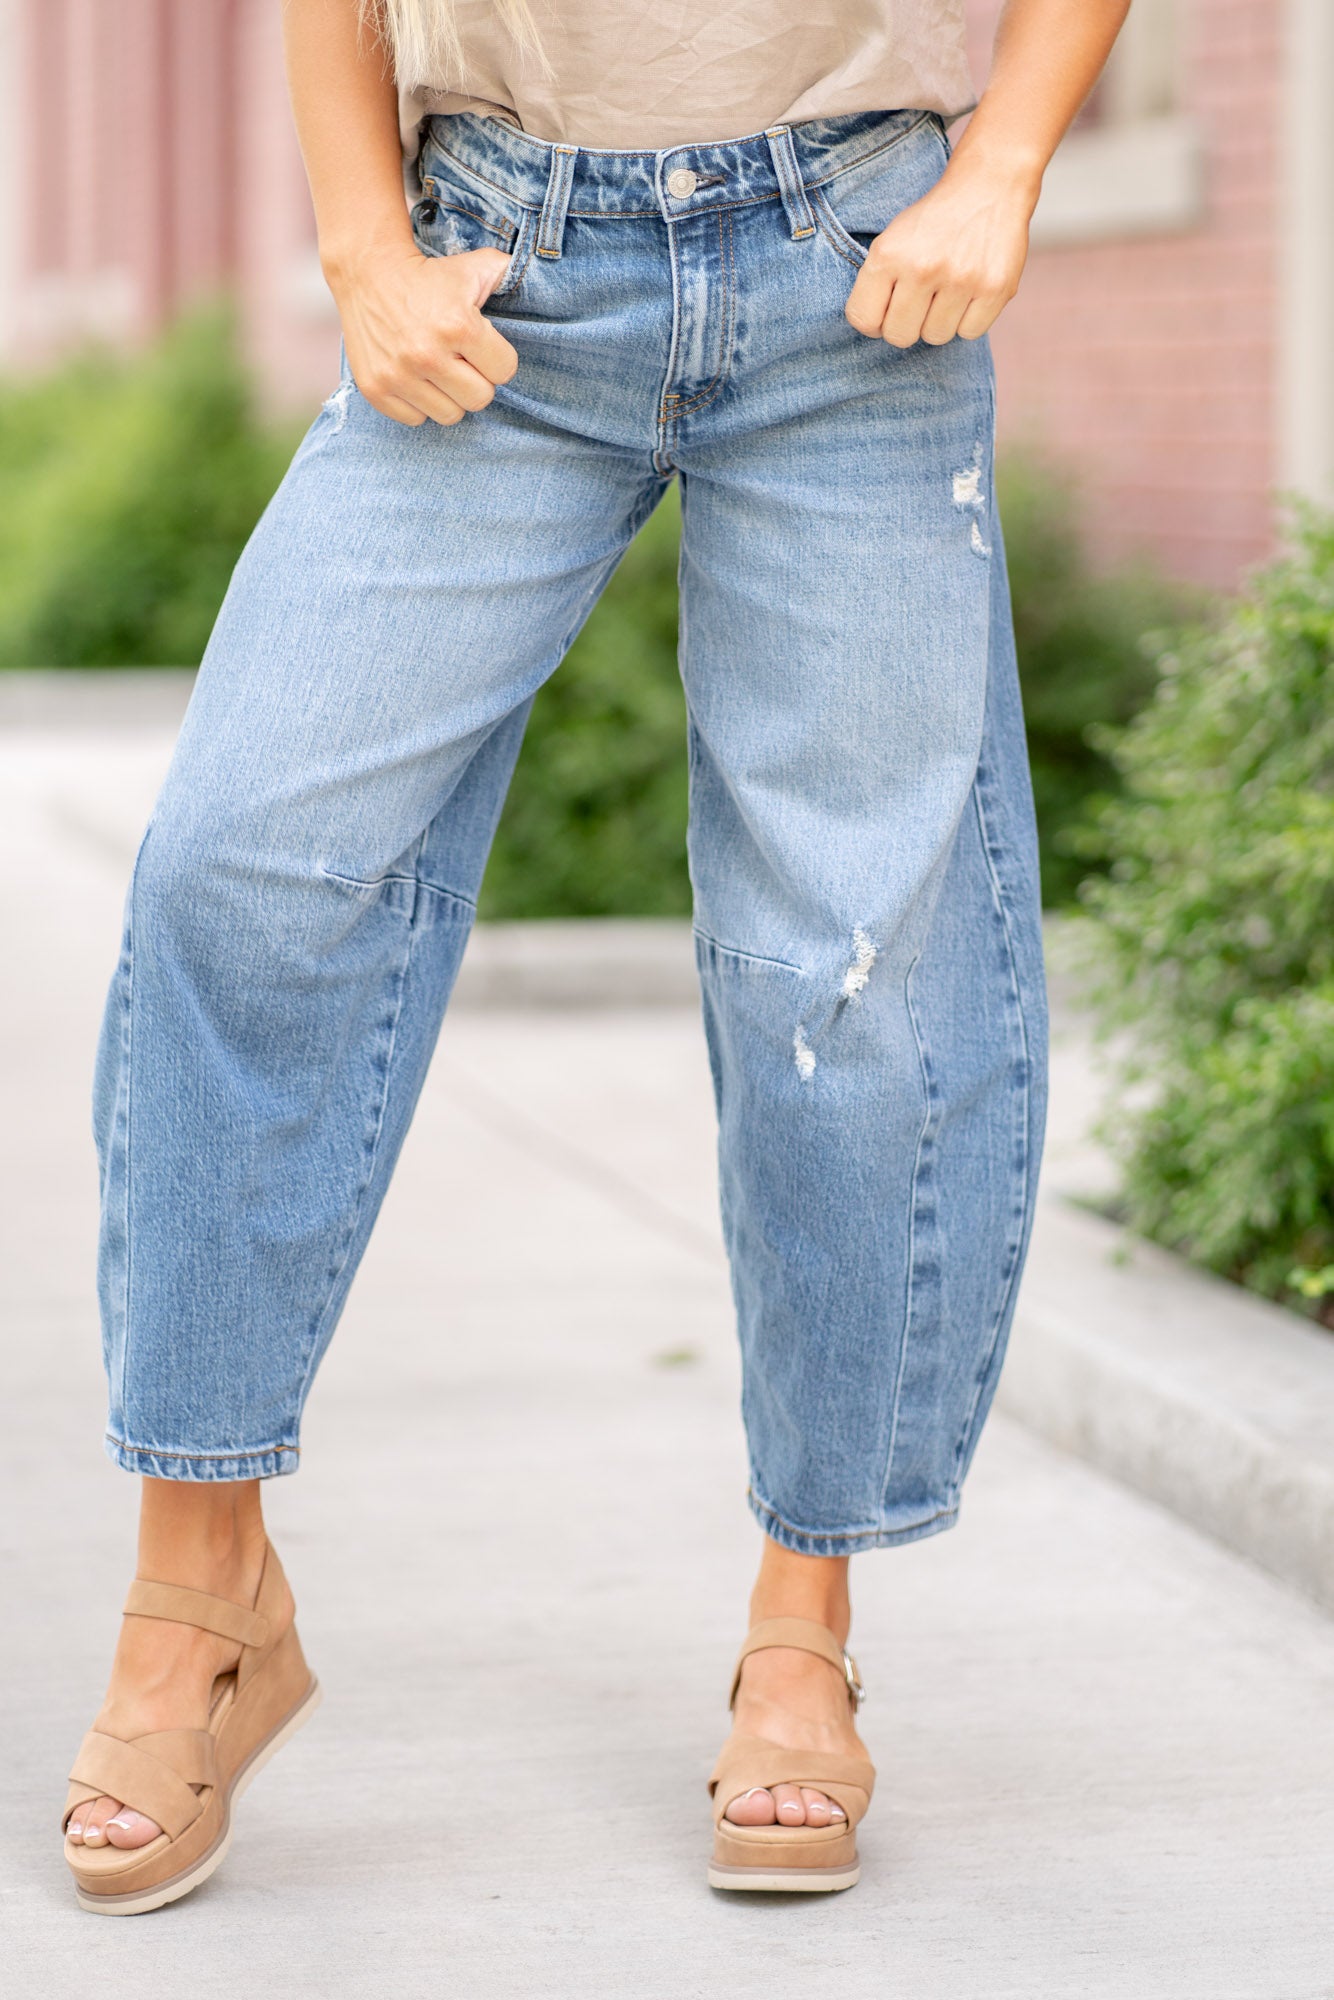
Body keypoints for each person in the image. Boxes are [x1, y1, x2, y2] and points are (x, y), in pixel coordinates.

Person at [60, 0, 1130, 1913]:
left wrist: (1007, 164)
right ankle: (200, 1594)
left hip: (851, 267)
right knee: (239, 866)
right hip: (499, 267)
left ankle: (803, 1624)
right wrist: (358, 247)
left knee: (839, 980)